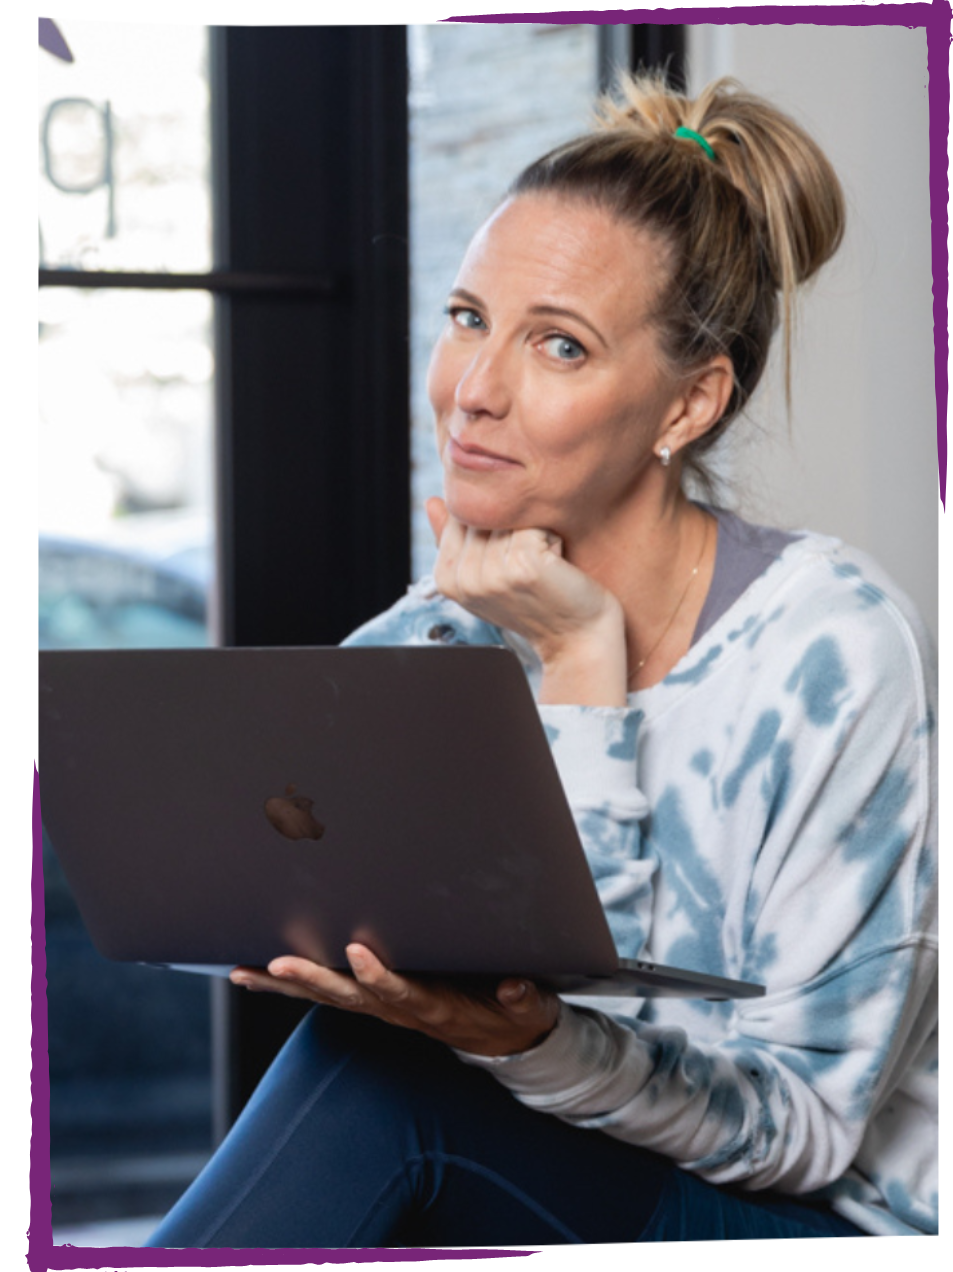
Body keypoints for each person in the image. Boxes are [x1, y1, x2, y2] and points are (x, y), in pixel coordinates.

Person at [146, 74, 938, 1247]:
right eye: (466, 318)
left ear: (687, 405)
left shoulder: (829, 646)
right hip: (548, 1181)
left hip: (810, 1223)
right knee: (370, 1053)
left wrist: (578, 663)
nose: (472, 392)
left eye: (558, 345)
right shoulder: (431, 639)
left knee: (391, 1086)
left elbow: (808, 1129)